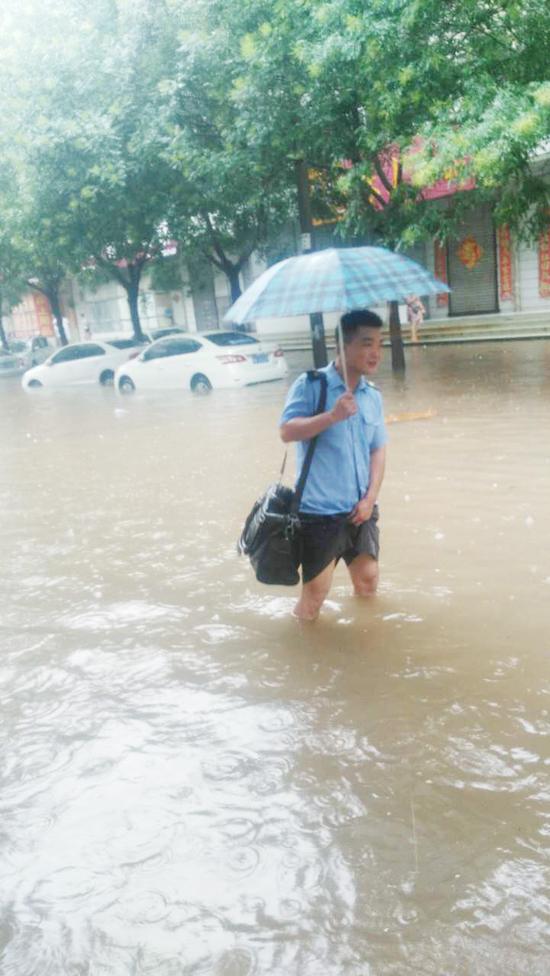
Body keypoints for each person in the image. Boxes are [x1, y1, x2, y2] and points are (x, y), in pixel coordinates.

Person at [280, 309, 387, 621]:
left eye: (380, 344)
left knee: (368, 580)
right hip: (320, 512)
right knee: (315, 597)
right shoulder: (312, 385)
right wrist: (332, 416)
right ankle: (304, 656)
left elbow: (378, 451)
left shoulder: (372, 395)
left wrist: (369, 499)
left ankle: (365, 642)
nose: (376, 352)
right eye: (367, 343)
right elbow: (286, 431)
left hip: (361, 510)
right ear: (343, 344)